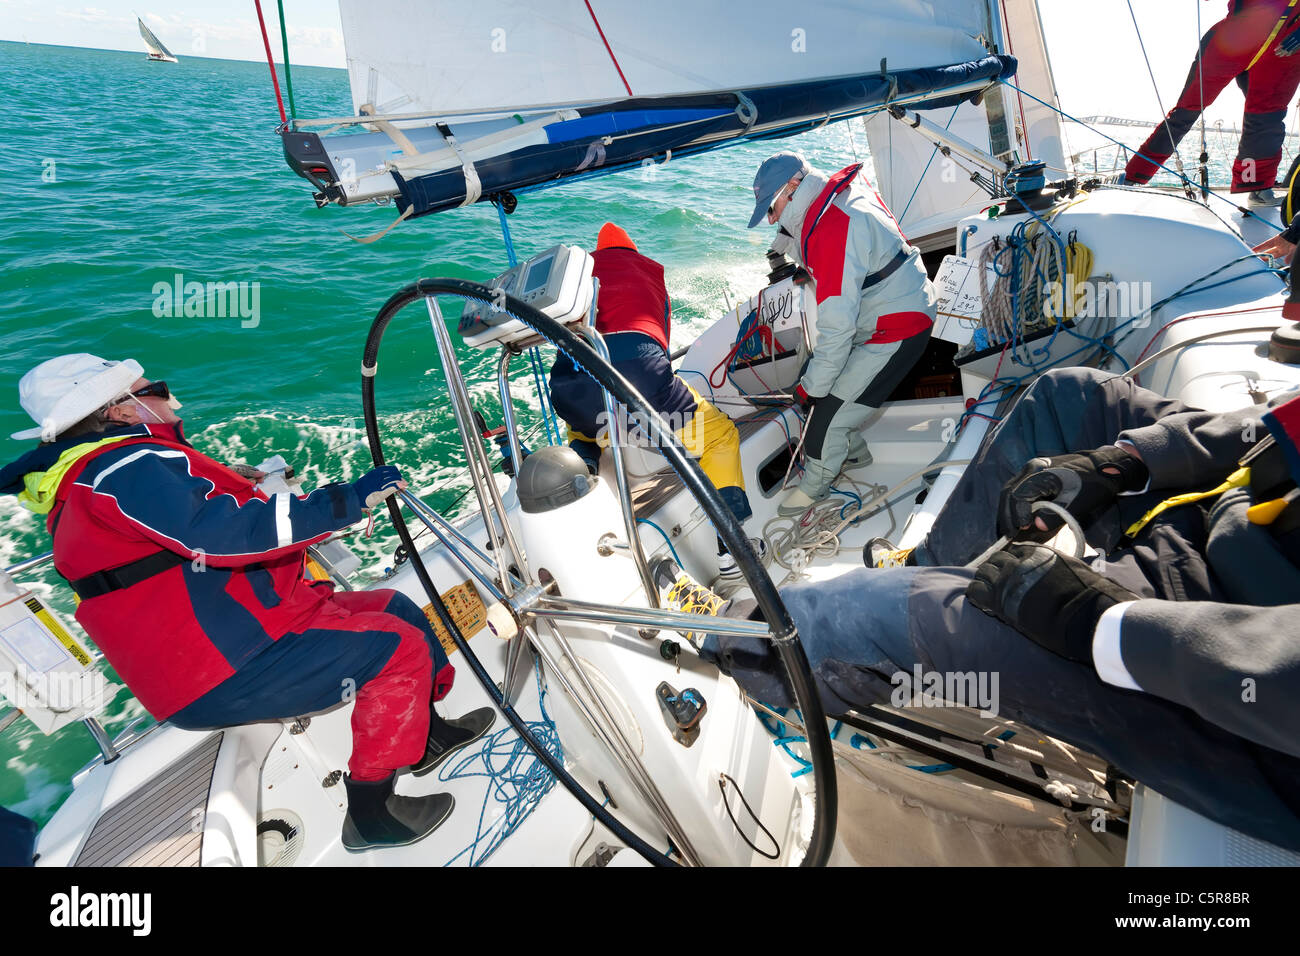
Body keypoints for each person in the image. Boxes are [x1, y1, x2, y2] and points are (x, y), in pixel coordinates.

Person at [688, 366, 1300, 850]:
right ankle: (928, 565)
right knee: (1066, 398)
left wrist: (1097, 621)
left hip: (1232, 679)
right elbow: (1275, 434)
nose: (1288, 248)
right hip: (1229, 524)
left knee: (873, 614)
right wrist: (1130, 461)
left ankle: (732, 642)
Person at [0, 353, 496, 853]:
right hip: (225, 664)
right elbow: (224, 536)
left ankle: (426, 739)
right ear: (124, 411)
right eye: (154, 388)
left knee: (394, 606)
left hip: (242, 634)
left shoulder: (88, 479)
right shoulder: (126, 466)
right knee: (397, 648)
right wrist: (349, 500)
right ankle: (372, 810)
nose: (167, 397)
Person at [549, 222, 763, 590]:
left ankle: (582, 471)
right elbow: (659, 343)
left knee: (582, 420)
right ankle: (731, 558)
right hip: (641, 380)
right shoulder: (649, 271)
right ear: (631, 251)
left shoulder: (580, 275)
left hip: (570, 384)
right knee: (720, 438)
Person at [747, 152, 936, 516]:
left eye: (772, 208)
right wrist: (791, 255)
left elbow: (836, 332)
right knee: (818, 381)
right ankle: (855, 453)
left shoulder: (832, 232)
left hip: (897, 325)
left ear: (793, 187)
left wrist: (809, 391)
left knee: (823, 414)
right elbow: (811, 229)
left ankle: (813, 489)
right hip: (893, 305)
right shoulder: (834, 194)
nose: (772, 218)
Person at [1122, 0, 1300, 204]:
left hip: (1282, 55)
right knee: (1185, 112)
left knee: (1267, 119)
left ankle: (1257, 186)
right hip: (1230, 45)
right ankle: (1133, 177)